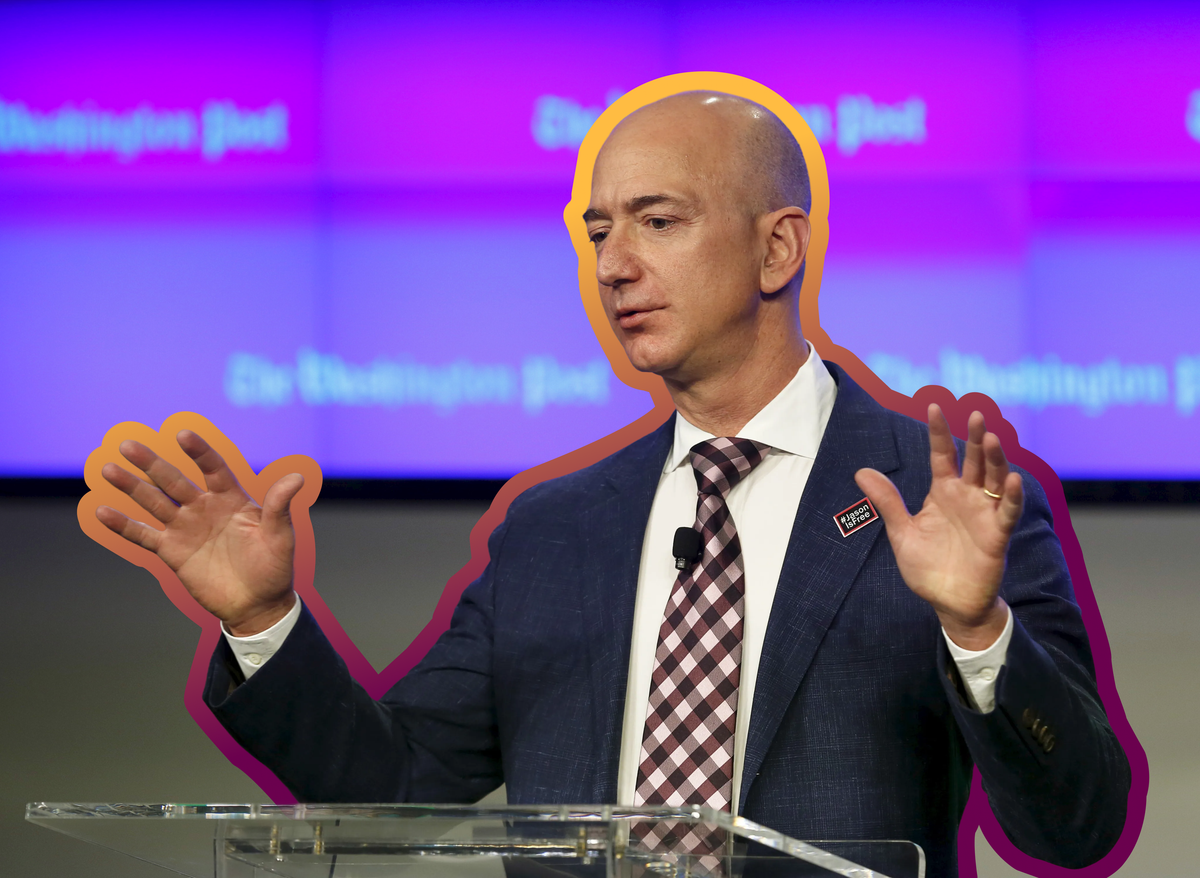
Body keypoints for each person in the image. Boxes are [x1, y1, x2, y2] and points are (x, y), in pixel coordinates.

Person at [95, 91, 1130, 876]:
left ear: (778, 248)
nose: (612, 265)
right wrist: (264, 619)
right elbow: (392, 785)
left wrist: (979, 631)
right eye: (598, 232)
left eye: (657, 221)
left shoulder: (939, 504)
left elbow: (1076, 825)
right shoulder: (554, 530)